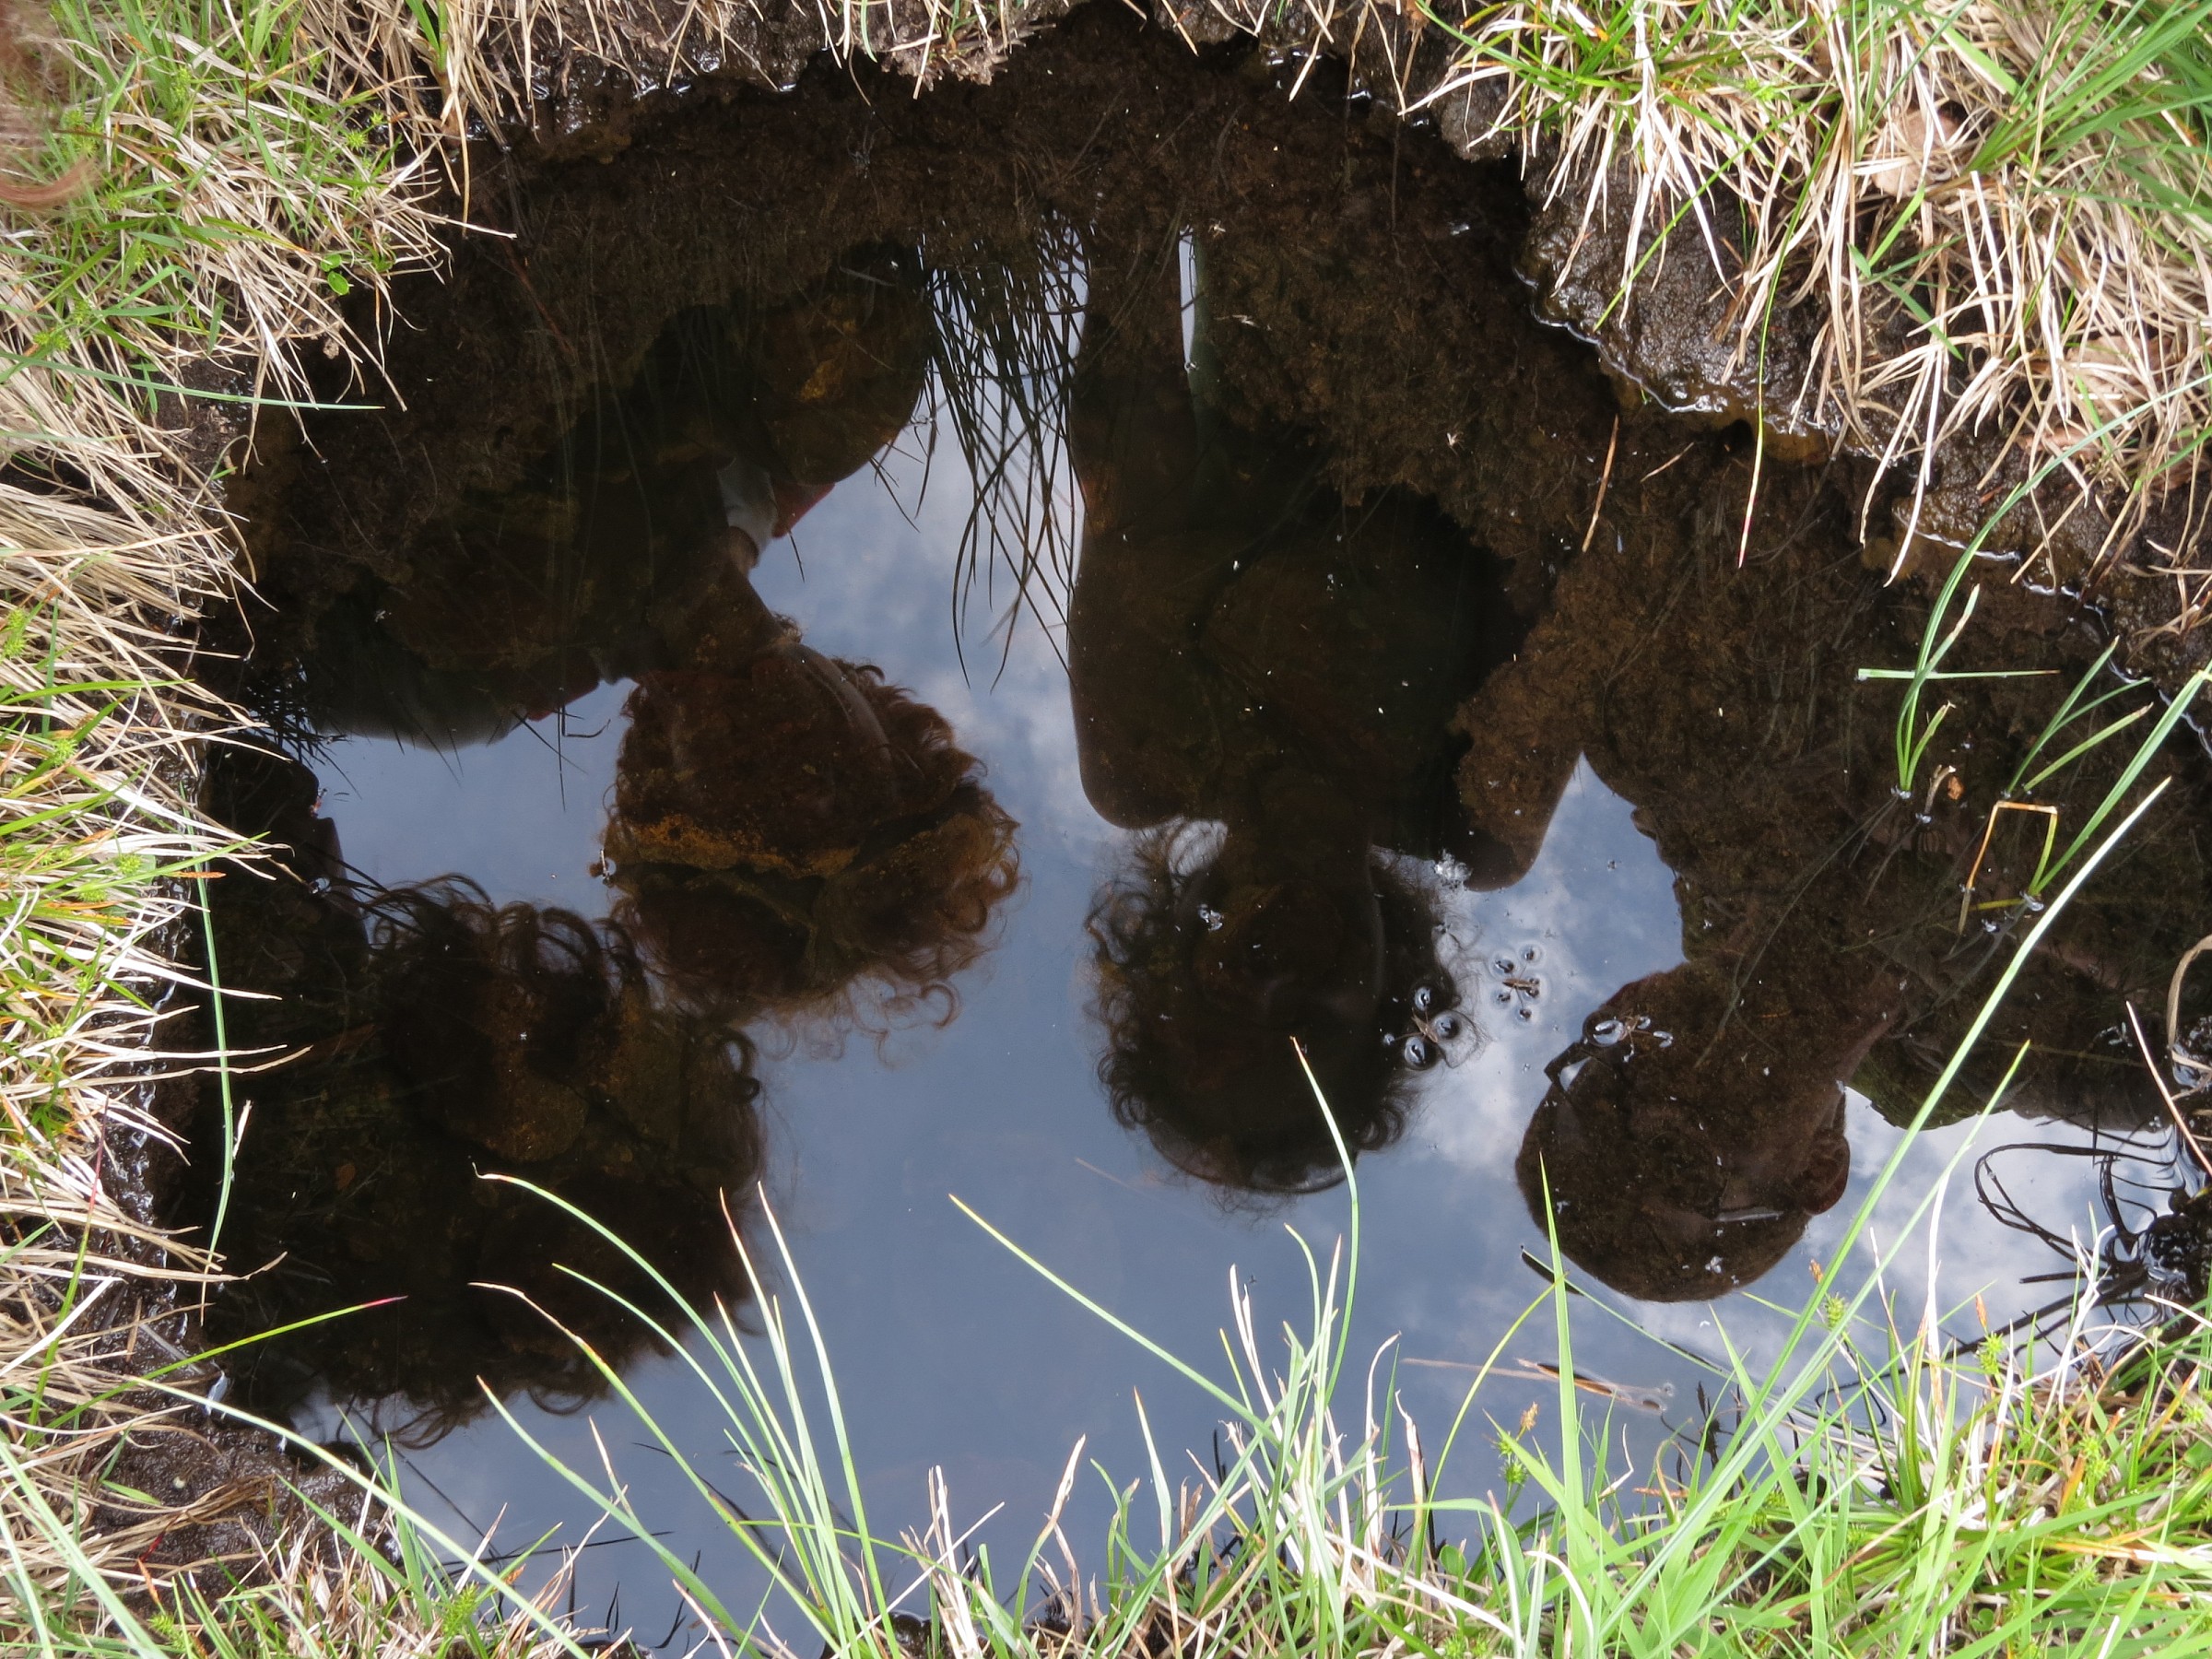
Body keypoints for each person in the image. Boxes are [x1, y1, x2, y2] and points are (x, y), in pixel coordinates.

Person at [1068, 229, 1523, 1195]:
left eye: (1234, 992)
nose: (1286, 976)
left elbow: (1125, 437)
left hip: (1280, 241)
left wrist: (1125, 167)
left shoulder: (1141, 756)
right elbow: (1568, 544)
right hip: (1508, 284)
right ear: (1387, 1000)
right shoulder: (1471, 820)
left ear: (1181, 949)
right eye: (1315, 1028)